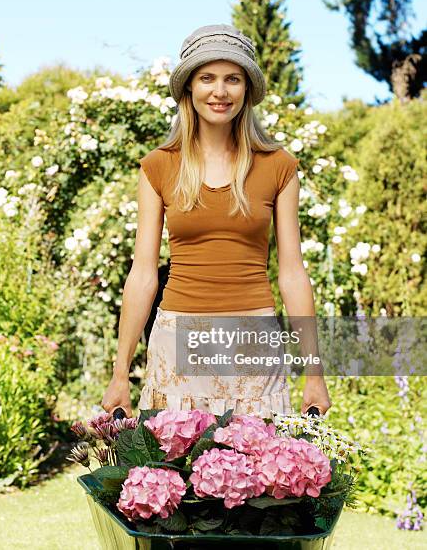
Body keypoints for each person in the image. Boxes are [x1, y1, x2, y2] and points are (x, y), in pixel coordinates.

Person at [101, 24, 330, 419]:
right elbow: (142, 273)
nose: (220, 92)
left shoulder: (279, 166)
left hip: (253, 345)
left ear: (247, 89)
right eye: (207, 78)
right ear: (189, 87)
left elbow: (292, 273)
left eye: (232, 79)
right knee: (176, 473)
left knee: (256, 475)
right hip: (177, 339)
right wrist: (121, 372)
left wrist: (314, 372)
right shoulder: (159, 166)